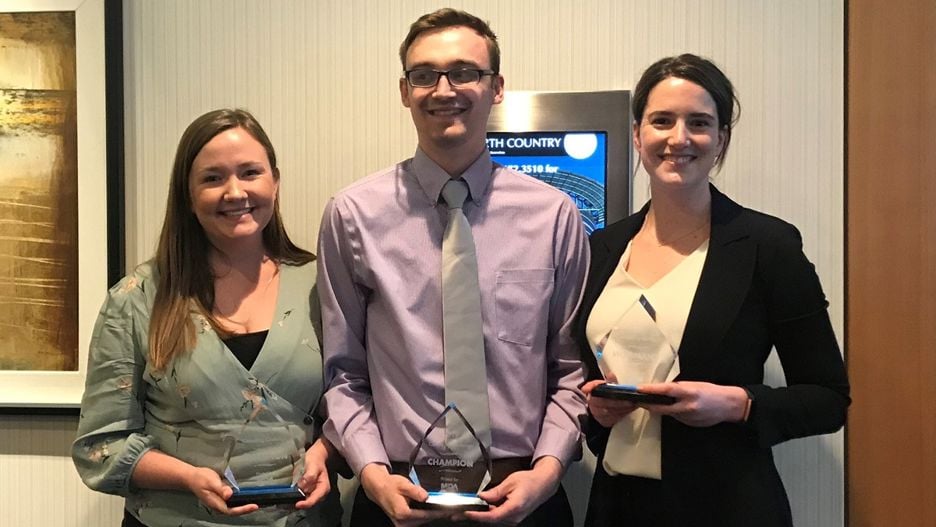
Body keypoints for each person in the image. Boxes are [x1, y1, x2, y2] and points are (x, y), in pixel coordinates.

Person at [317, 8, 589, 527]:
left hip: (524, 495)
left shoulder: (555, 216)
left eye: (465, 71)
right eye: (424, 75)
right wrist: (373, 475)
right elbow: (343, 373)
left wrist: (547, 473)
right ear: (404, 91)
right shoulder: (352, 216)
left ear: (497, 87)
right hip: (396, 495)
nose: (444, 89)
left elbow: (570, 370)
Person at [575, 54, 850, 527]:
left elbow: (828, 399)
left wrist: (738, 404)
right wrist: (596, 410)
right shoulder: (602, 247)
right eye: (662, 120)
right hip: (615, 506)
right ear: (638, 133)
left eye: (699, 123)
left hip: (727, 504)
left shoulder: (768, 246)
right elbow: (582, 381)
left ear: (720, 139)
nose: (679, 138)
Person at [72, 109, 341, 527]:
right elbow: (99, 445)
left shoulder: (322, 285)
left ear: (275, 181)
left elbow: (356, 404)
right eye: (213, 178)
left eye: (250, 172)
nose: (235, 192)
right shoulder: (137, 299)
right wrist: (188, 478)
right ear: (187, 195)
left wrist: (327, 452)